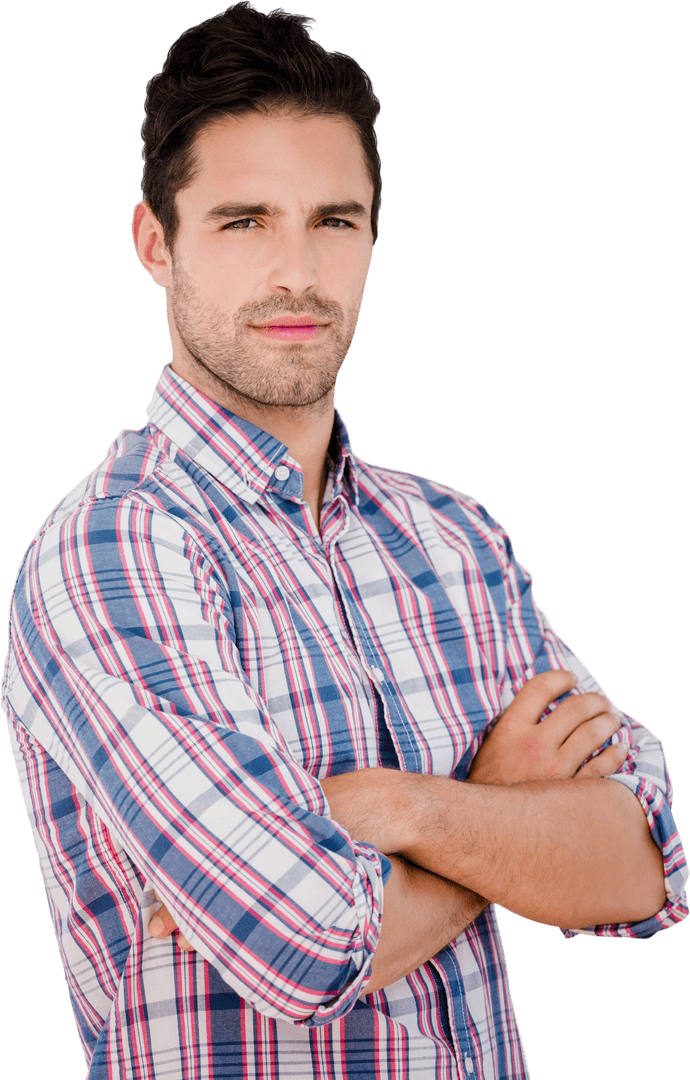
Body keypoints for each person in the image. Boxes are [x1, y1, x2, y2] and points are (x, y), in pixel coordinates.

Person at [3, 4, 687, 1078]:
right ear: (154, 244)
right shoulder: (112, 553)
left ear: (373, 236)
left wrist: (392, 807)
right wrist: (508, 822)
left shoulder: (457, 539)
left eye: (333, 220)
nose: (297, 272)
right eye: (242, 222)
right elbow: (305, 946)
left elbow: (645, 863)